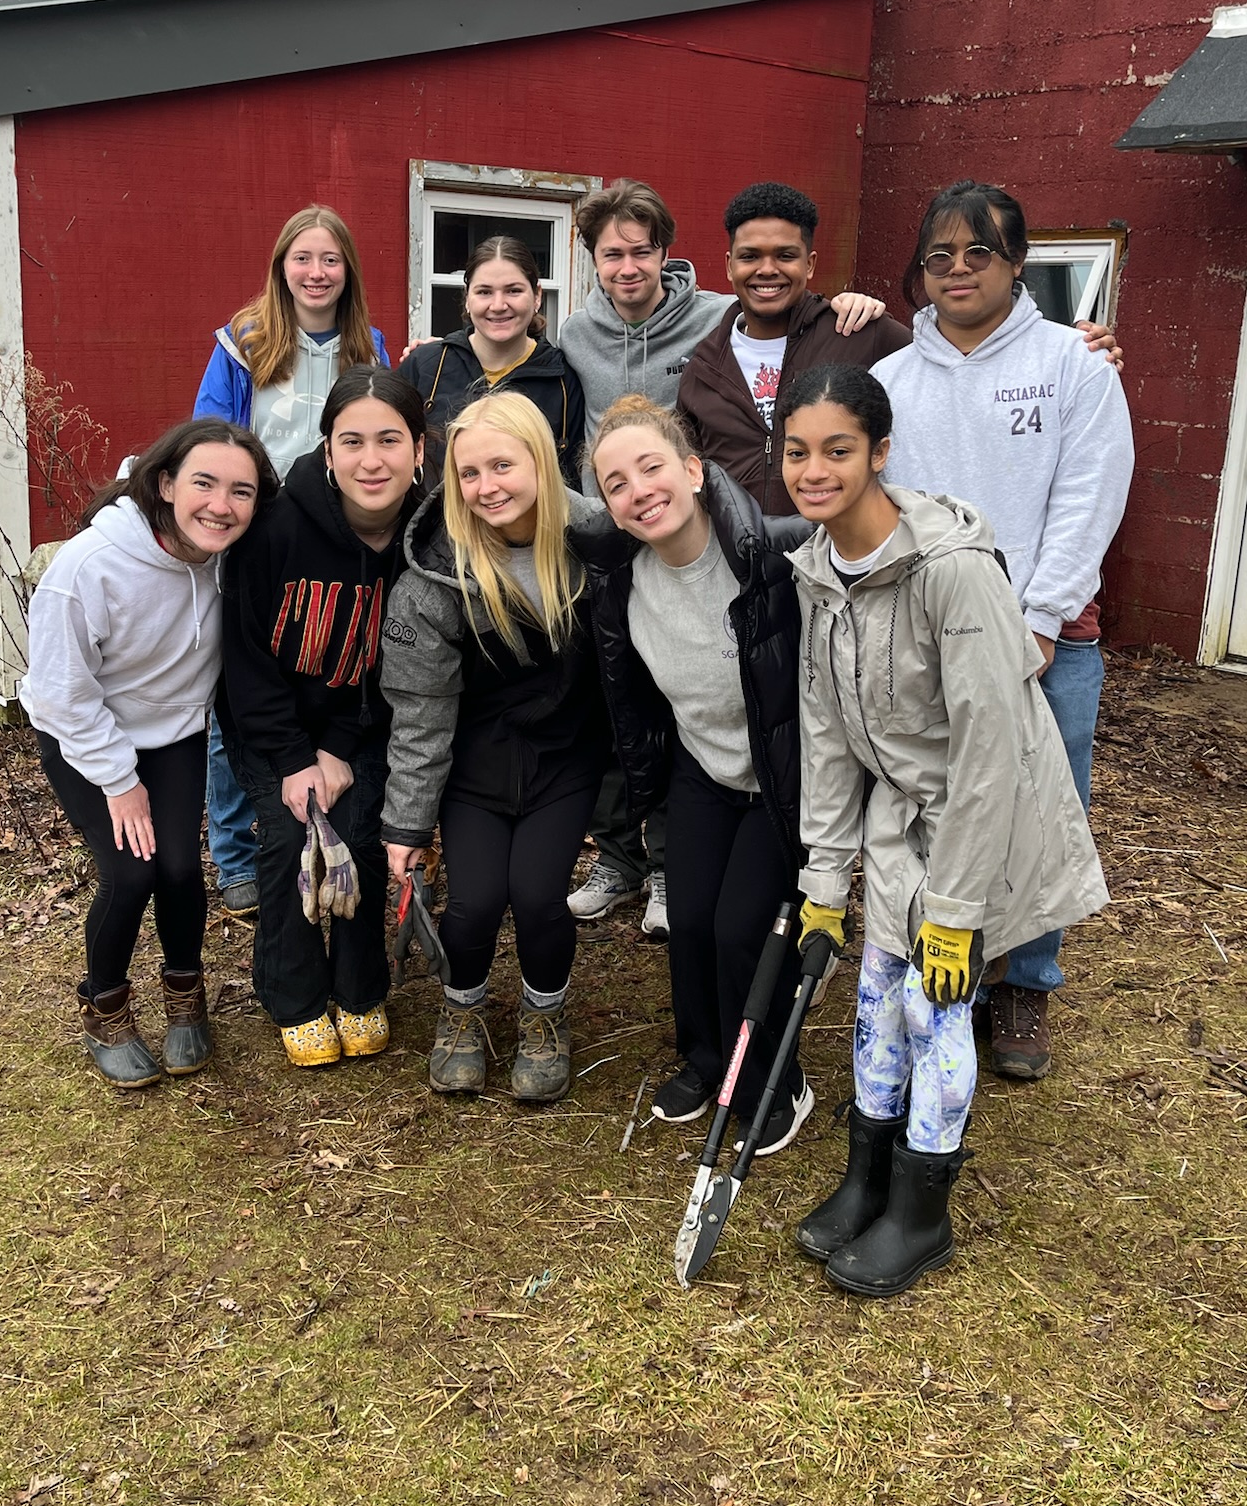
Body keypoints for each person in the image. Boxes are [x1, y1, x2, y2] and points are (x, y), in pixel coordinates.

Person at [782, 364, 1108, 1295]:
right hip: (899, 810)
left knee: (935, 1001)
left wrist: (958, 910)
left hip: (981, 818)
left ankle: (923, 1211)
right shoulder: (816, 571)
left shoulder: (952, 573)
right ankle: (868, 1176)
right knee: (878, 996)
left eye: (838, 450)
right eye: (798, 451)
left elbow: (990, 752)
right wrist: (821, 883)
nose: (815, 469)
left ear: (879, 453)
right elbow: (828, 736)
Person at [561, 180, 888, 937]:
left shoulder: (716, 317)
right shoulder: (576, 334)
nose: (628, 265)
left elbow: (811, 324)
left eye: (642, 250)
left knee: (769, 704)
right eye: (612, 253)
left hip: (749, 548)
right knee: (639, 706)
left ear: (668, 254)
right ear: (593, 261)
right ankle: (632, 858)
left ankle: (759, 875)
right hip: (636, 548)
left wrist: (856, 305)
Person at [877, 180, 1133, 1081]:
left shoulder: (1073, 365)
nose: (957, 271)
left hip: (1044, 635)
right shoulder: (891, 381)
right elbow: (881, 509)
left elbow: (1090, 496)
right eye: (938, 256)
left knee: (1041, 805)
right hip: (927, 636)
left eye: (978, 253)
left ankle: (1028, 978)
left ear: (1017, 262)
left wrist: (1040, 615)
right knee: (943, 806)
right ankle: (959, 966)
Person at [576, 395, 816, 1155]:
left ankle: (777, 1080)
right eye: (617, 483)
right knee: (690, 926)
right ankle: (706, 1057)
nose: (639, 490)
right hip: (702, 769)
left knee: (741, 928)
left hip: (784, 779)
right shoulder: (620, 580)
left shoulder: (773, 554)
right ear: (609, 508)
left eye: (652, 468)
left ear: (692, 470)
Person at [20, 420, 278, 1088]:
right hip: (83, 734)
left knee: (180, 871)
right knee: (131, 874)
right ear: (165, 483)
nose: (221, 504)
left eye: (241, 491)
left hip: (175, 737)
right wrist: (117, 779)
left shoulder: (233, 555)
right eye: (204, 483)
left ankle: (185, 997)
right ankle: (104, 1006)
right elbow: (61, 694)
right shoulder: (88, 569)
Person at [379, 392, 608, 1104]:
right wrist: (407, 826)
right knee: (474, 904)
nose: (486, 487)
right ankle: (462, 1010)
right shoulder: (435, 576)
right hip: (474, 766)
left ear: (541, 462)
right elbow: (421, 712)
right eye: (468, 474)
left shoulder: (599, 547)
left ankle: (545, 1017)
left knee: (539, 899)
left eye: (502, 465)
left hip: (562, 760)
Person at [220, 368, 427, 1067]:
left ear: (420, 450)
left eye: (390, 441)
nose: (373, 460)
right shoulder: (276, 529)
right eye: (353, 441)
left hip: (365, 726)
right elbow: (245, 658)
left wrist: (338, 746)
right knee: (290, 837)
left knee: (364, 835)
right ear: (328, 450)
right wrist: (294, 759)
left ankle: (361, 988)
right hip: (272, 726)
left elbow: (396, 663)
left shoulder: (425, 536)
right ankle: (294, 995)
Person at [193, 206, 390, 921]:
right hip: (257, 536)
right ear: (282, 266)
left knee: (328, 674)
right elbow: (210, 433)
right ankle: (237, 854)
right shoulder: (244, 343)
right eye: (303, 258)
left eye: (330, 259)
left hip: (339, 538)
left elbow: (386, 431)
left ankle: (314, 816)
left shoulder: (368, 346)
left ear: (348, 271)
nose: (316, 272)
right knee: (237, 690)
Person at [677, 182, 912, 515]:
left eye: (785, 255)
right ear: (730, 265)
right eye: (750, 256)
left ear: (810, 264)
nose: (767, 269)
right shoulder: (703, 369)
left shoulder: (860, 334)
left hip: (841, 558)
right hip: (739, 563)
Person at [397, 235, 585, 487]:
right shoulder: (426, 366)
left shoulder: (563, 381)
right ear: (467, 297)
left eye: (513, 290)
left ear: (537, 296)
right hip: (432, 526)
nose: (498, 305)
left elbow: (570, 481)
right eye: (484, 292)